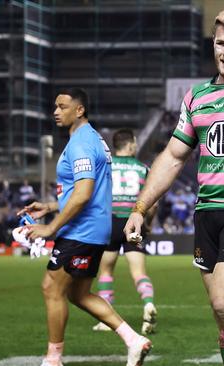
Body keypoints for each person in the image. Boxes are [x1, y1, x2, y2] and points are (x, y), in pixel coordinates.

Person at [124, 7, 224, 365]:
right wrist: (140, 208)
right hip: (207, 214)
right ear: (211, 47)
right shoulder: (196, 97)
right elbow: (172, 157)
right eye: (220, 43)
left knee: (223, 303)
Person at [18, 88, 152, 366]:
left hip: (82, 231)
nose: (56, 111)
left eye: (63, 106)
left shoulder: (81, 142)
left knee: (51, 289)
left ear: (79, 110)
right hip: (93, 228)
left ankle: (52, 360)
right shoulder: (92, 139)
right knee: (78, 294)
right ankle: (133, 340)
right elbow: (82, 191)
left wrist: (49, 227)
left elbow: (83, 193)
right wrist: (50, 206)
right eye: (55, 106)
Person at [92, 128, 158, 335]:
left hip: (110, 222)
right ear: (130, 145)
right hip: (133, 222)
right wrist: (148, 223)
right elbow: (153, 204)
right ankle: (148, 304)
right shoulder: (143, 168)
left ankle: (105, 319)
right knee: (139, 272)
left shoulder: (105, 168)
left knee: (105, 271)